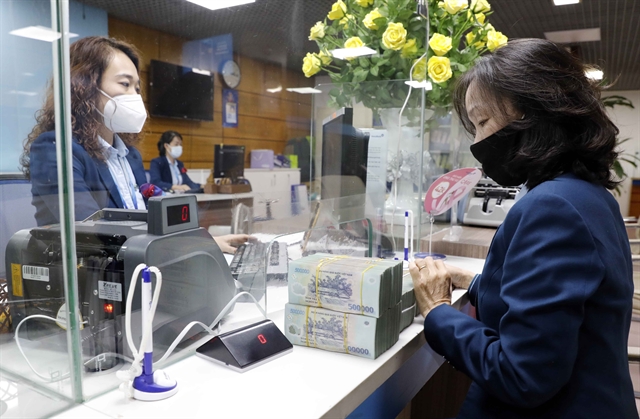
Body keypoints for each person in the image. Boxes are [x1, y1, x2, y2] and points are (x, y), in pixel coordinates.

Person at [409, 38, 637, 418]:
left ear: (534, 110)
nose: (478, 142)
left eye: (483, 121)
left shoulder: (553, 207)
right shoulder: (587, 195)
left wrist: (438, 312)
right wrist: (473, 280)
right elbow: (558, 304)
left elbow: (521, 376)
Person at [21, 36, 247, 253]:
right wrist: (191, 246)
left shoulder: (130, 155)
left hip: (141, 264)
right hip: (90, 273)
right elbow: (92, 235)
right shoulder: (54, 148)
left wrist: (202, 241)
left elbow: (151, 221)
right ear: (85, 86)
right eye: (125, 84)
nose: (135, 96)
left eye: (137, 88)